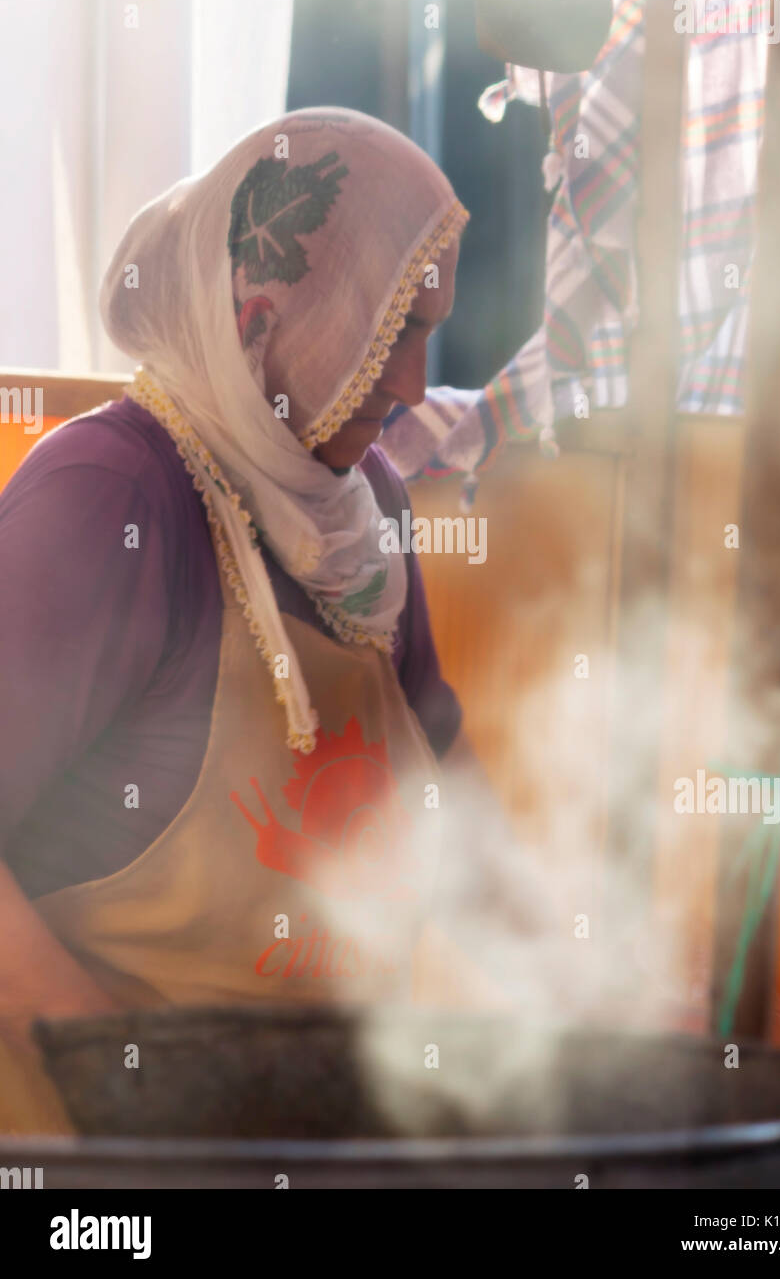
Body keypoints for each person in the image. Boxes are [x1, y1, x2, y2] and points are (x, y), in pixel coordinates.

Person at [0, 107, 527, 1132]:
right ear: (259, 321)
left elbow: (447, 800)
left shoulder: (361, 503)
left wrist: (597, 986)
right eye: (392, 330)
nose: (416, 384)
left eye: (430, 331)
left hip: (291, 1121)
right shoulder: (108, 496)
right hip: (89, 1144)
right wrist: (135, 1095)